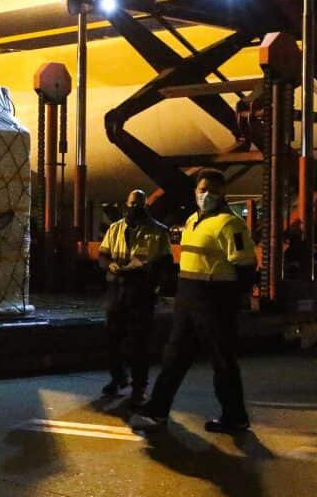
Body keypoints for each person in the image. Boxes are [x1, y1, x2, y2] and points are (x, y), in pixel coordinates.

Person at [130, 169, 257, 433]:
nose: (207, 195)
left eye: (213, 190)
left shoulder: (230, 224)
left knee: (222, 359)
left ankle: (235, 417)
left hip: (215, 300)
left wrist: (232, 301)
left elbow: (245, 267)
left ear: (223, 193)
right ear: (195, 191)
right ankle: (157, 409)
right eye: (203, 189)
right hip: (188, 297)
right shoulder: (191, 220)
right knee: (174, 355)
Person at [96, 189, 171, 404]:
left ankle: (139, 386)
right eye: (131, 204)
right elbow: (103, 255)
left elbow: (166, 263)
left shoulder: (158, 231)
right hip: (117, 289)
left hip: (141, 292)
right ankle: (118, 377)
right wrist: (109, 264)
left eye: (138, 204)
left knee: (139, 342)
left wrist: (152, 276)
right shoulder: (115, 228)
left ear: (145, 206)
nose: (134, 208)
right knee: (112, 338)